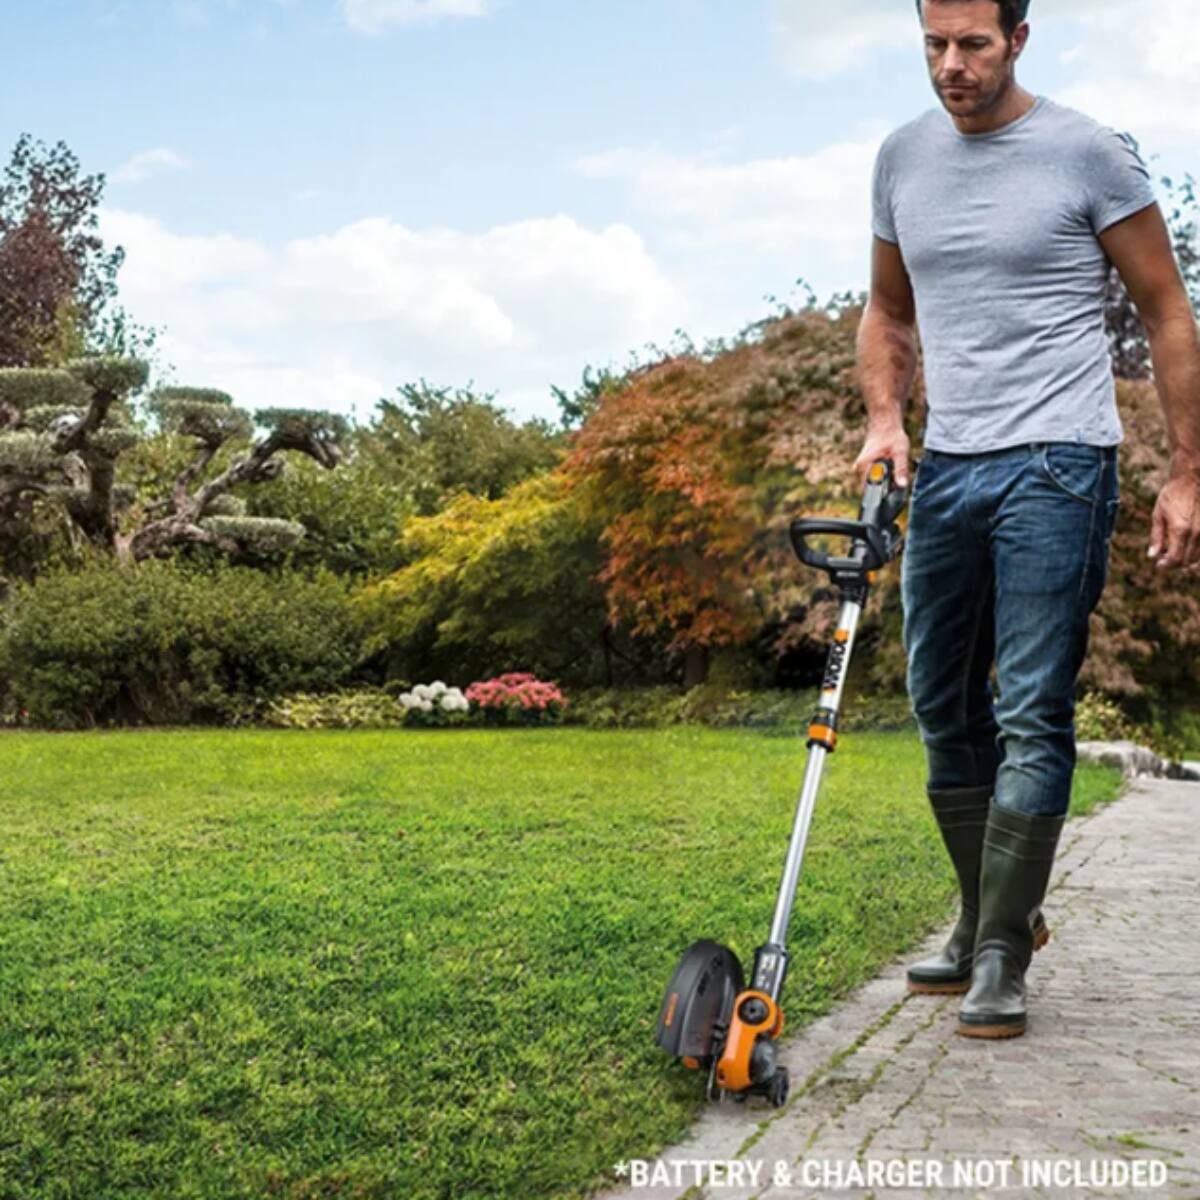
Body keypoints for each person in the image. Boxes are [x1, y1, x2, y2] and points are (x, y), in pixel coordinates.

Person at [855, 0, 1200, 1038]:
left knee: (1031, 707)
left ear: (1018, 39)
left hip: (1059, 461)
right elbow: (887, 308)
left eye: (973, 45)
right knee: (938, 702)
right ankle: (990, 915)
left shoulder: (1087, 153)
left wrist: (1187, 473)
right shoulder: (901, 158)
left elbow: (1168, 311)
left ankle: (1000, 951)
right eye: (933, 46)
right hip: (951, 464)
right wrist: (885, 416)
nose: (951, 68)